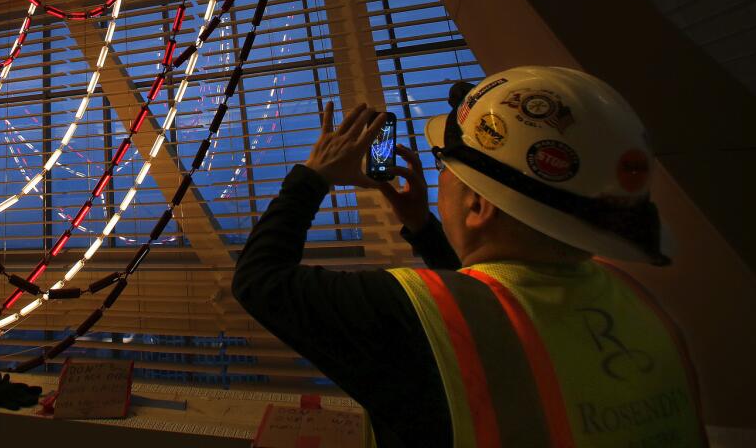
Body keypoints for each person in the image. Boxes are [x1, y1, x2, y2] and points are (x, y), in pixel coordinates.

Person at [232, 66, 706, 447]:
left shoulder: (412, 313)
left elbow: (259, 280)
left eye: (443, 165)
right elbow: (482, 309)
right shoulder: (637, 303)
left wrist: (313, 175)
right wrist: (420, 225)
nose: (437, 176)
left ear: (479, 205)